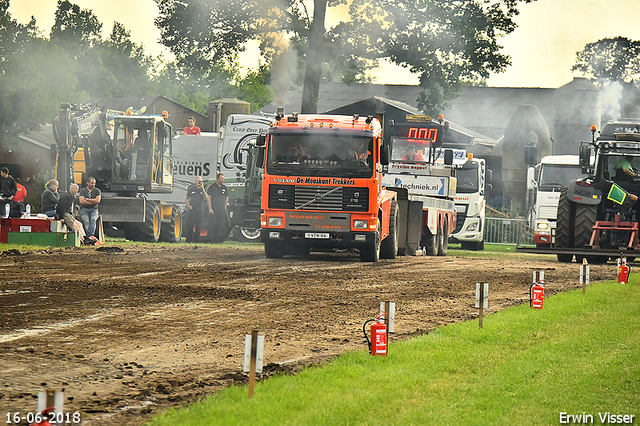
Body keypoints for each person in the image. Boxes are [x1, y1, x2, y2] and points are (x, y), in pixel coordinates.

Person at [207, 173, 230, 242]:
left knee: (220, 224)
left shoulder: (224, 187)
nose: (223, 180)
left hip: (221, 210)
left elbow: (227, 197)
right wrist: (210, 208)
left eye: (223, 178)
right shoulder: (212, 187)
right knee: (212, 224)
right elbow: (209, 198)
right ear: (217, 179)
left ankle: (219, 239)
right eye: (221, 178)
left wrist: (225, 207)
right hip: (214, 209)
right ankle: (211, 239)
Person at [184, 176, 208, 242]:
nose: (199, 183)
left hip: (200, 210)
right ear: (195, 181)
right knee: (190, 224)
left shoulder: (202, 189)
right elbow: (186, 198)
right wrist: (189, 206)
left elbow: (205, 196)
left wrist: (202, 188)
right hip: (192, 209)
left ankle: (197, 239)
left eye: (201, 181)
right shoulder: (192, 189)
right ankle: (189, 239)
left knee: (199, 225)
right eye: (198, 181)